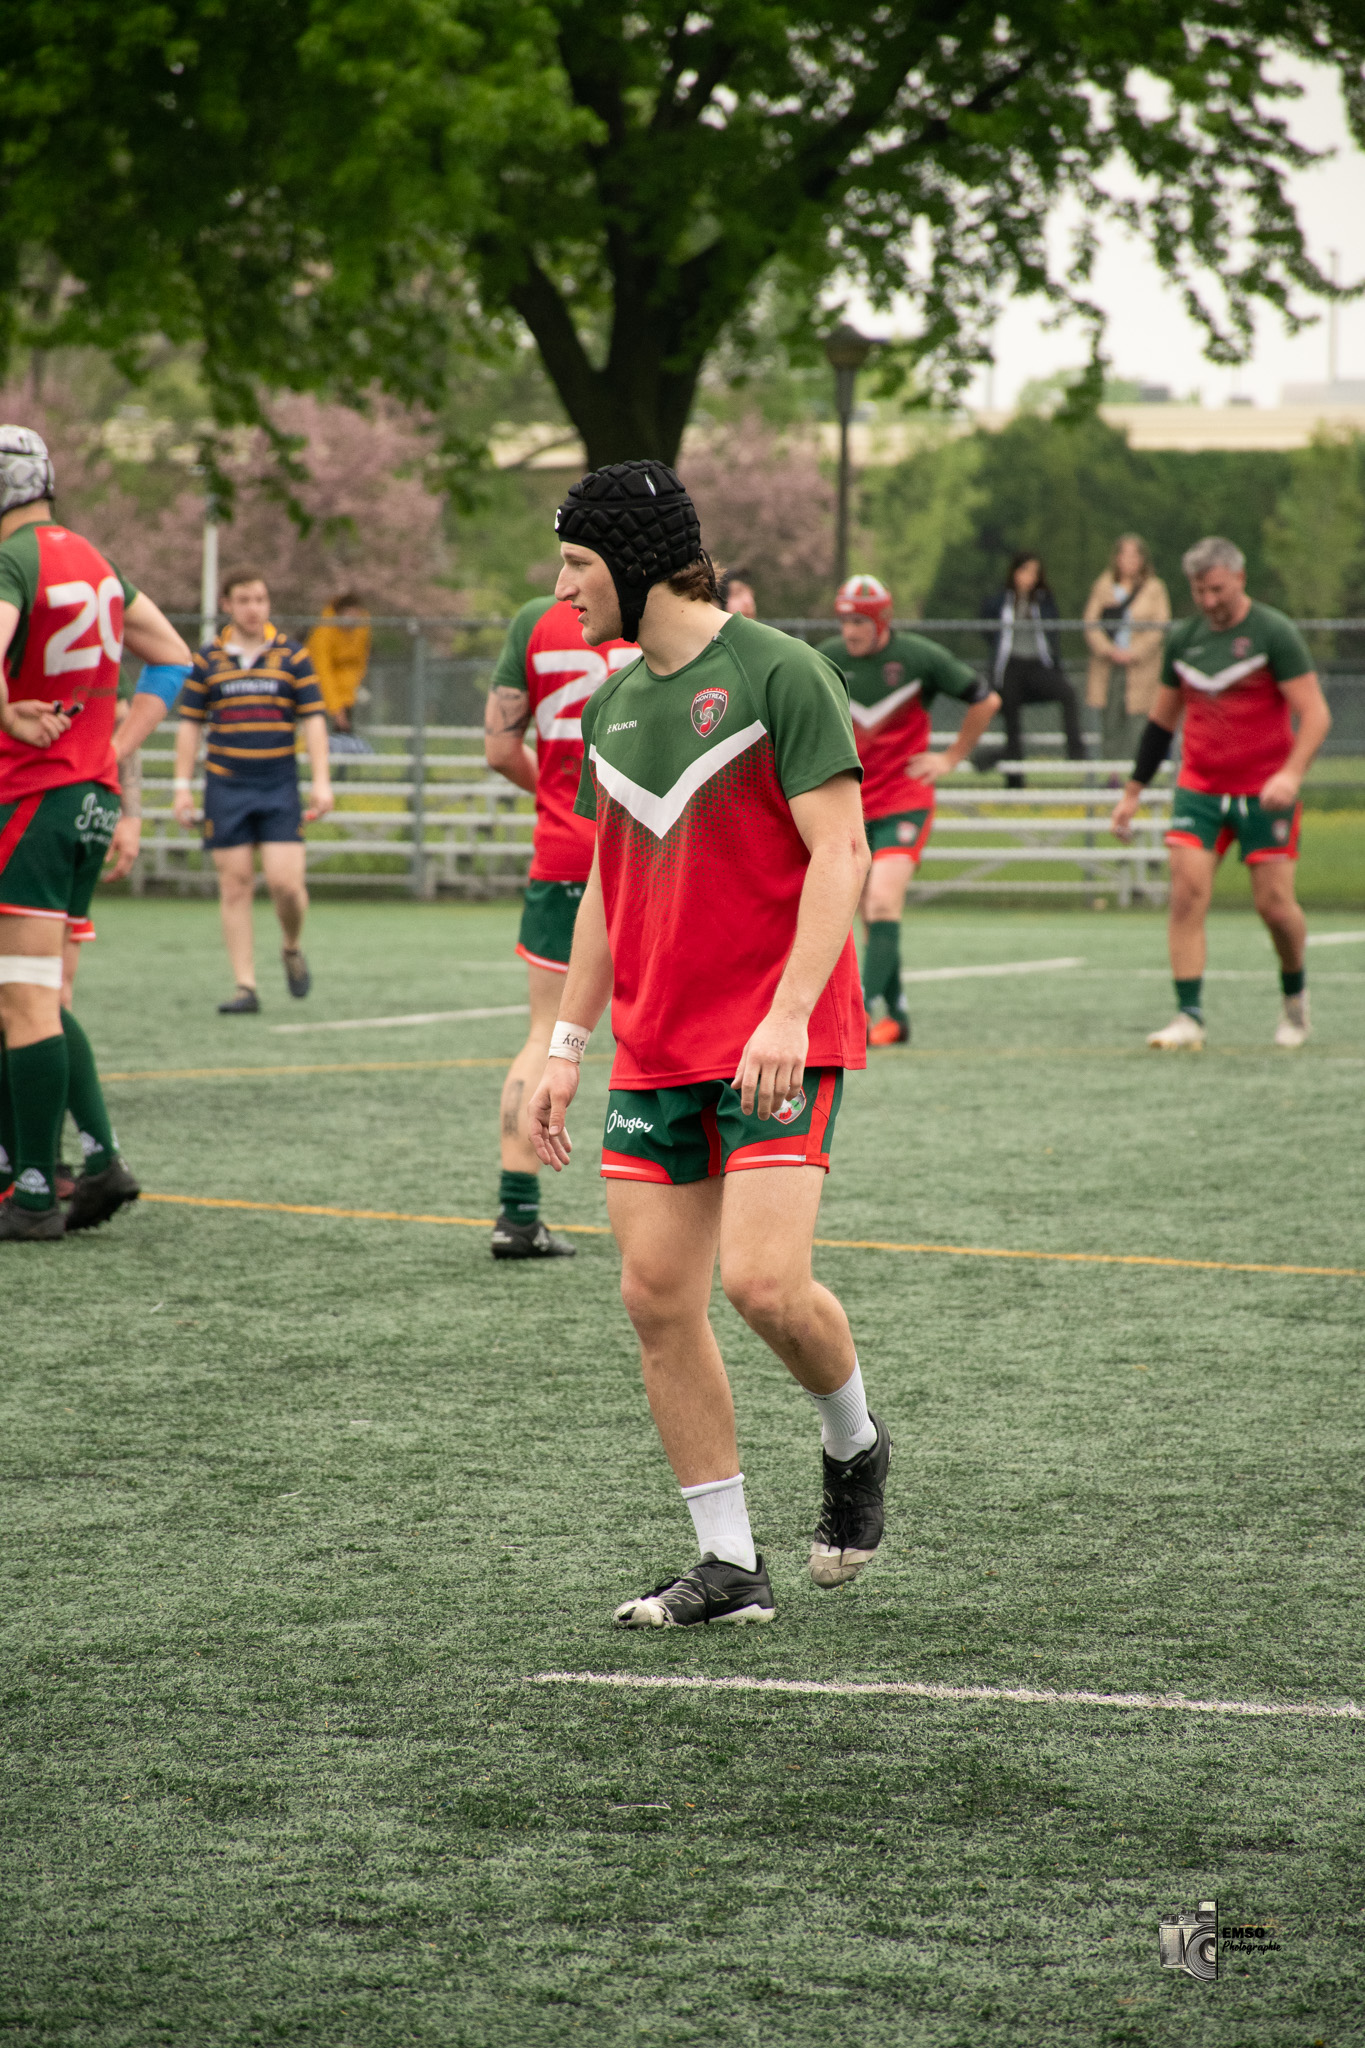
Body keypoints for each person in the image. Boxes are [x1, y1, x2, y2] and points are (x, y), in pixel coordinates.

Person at [528, 459, 890, 1630]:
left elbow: (843, 854)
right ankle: (727, 1563)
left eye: (577, 561)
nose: (563, 584)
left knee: (764, 1283)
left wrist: (788, 1011)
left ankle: (855, 1438)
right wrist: (566, 1044)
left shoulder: (783, 671)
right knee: (655, 1295)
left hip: (778, 1033)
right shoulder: (609, 704)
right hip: (656, 1047)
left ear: (634, 562)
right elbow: (601, 886)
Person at [0, 424, 192, 1241]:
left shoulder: (15, 560)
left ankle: (37, 1192)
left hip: (32, 798)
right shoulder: (93, 558)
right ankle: (80, 1160)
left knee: (25, 996)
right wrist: (113, 747)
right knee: (36, 990)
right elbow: (174, 657)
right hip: (88, 798)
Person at [1110, 536, 1331, 1049]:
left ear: (1240, 579)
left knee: (1275, 907)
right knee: (1186, 896)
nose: (1209, 602)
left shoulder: (1274, 633)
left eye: (1217, 590)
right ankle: (1189, 1016)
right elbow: (1161, 725)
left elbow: (1316, 714)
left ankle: (1294, 999)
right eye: (1199, 591)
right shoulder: (1184, 639)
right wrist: (1133, 792)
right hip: (1199, 790)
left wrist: (1291, 775)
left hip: (1265, 792)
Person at [483, 592, 638, 1259]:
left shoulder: (532, 621)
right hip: (644, 849)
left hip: (561, 853)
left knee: (543, 1033)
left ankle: (516, 1215)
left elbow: (497, 749)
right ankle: (679, 1217)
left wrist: (555, 791)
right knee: (665, 1026)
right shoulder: (651, 610)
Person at [819, 574, 1000, 1046]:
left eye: (859, 621)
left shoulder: (919, 656)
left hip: (905, 798)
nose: (850, 631)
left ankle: (858, 1017)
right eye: (844, 621)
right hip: (852, 804)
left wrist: (952, 757)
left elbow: (986, 699)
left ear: (881, 621)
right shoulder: (827, 659)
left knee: (881, 900)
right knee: (867, 911)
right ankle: (896, 1016)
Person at [173, 569, 333, 1013]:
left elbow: (314, 721)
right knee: (236, 884)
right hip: (225, 785)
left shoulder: (292, 656)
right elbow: (190, 726)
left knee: (286, 885)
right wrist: (181, 788)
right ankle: (246, 986)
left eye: (260, 599)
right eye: (244, 599)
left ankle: (291, 945)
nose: (254, 607)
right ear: (227, 604)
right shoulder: (207, 660)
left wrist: (321, 781)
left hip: (278, 784)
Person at [981, 553, 1085, 783]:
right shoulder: (1002, 600)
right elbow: (987, 622)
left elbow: (1052, 631)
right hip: (1011, 665)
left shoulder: (1043, 601)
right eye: (1025, 571)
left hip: (1037, 665)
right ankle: (1014, 780)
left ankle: (1077, 754)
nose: (1030, 577)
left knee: (1067, 693)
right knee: (1011, 716)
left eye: (1034, 573)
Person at [1083, 536, 1170, 762]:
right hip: (1109, 665)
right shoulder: (1103, 586)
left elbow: (1160, 626)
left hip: (1142, 667)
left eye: (1135, 556)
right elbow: (1091, 623)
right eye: (1125, 555)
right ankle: (1111, 776)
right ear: (1116, 558)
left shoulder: (1154, 588)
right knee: (1110, 722)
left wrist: (1135, 652)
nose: (1130, 561)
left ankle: (1138, 775)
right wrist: (1109, 650)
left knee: (1140, 722)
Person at [307, 592, 371, 739]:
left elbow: (360, 661)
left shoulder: (361, 626)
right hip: (321, 692)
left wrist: (351, 693)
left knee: (345, 739)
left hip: (347, 693)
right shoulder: (324, 632)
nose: (353, 620)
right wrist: (336, 709)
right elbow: (322, 673)